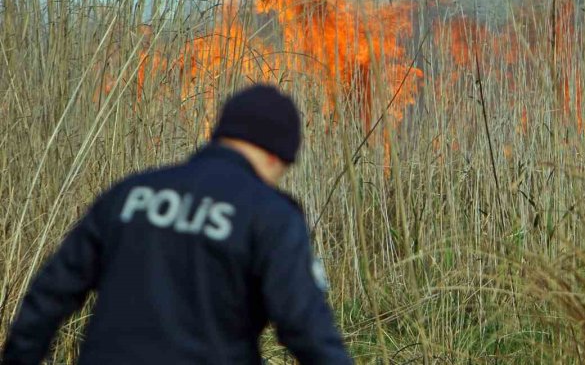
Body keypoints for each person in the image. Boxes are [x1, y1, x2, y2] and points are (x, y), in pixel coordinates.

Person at [1, 84, 353, 365]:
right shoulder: (270, 214)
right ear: (277, 156)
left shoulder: (131, 193)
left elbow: (51, 292)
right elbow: (305, 327)